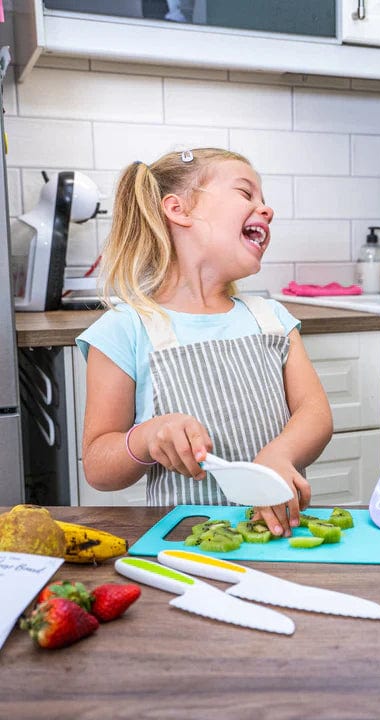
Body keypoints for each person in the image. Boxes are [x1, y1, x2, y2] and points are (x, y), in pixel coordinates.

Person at [77, 148, 333, 535]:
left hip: (281, 533)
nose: (266, 209)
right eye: (247, 194)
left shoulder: (271, 318)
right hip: (187, 541)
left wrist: (279, 454)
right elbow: (98, 465)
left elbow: (316, 414)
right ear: (179, 210)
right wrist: (147, 437)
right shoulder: (125, 328)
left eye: (264, 200)